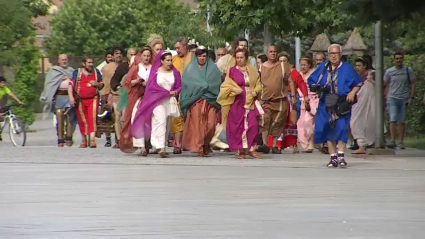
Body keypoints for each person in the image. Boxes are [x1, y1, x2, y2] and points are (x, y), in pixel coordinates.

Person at [308, 44, 362, 168]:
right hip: (325, 103)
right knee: (327, 128)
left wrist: (352, 92)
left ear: (340, 54)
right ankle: (333, 157)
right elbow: (311, 81)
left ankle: (341, 156)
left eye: (336, 53)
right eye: (331, 53)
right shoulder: (323, 68)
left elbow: (358, 82)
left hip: (342, 103)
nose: (333, 56)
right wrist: (316, 88)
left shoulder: (347, 68)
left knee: (342, 128)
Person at [131, 51, 182, 158]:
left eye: (170, 60)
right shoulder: (155, 73)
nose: (169, 63)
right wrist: (162, 93)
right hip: (155, 100)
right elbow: (151, 88)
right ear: (162, 61)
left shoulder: (175, 72)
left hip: (168, 100)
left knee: (161, 122)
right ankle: (161, 147)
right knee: (161, 118)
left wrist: (175, 92)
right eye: (167, 60)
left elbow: (179, 85)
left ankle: (156, 144)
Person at [217, 47, 262, 159]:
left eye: (241, 57)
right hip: (237, 101)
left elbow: (258, 83)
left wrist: (256, 90)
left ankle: (251, 148)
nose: (239, 60)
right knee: (238, 126)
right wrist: (234, 90)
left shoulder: (252, 70)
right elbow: (226, 85)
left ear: (246, 58)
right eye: (237, 58)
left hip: (250, 100)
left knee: (253, 125)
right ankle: (241, 150)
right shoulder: (232, 70)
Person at [180, 46, 221, 156]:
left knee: (211, 124)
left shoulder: (213, 68)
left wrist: (205, 87)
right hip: (196, 101)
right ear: (196, 57)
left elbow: (216, 83)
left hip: (210, 101)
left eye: (204, 56)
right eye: (199, 56)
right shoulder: (190, 69)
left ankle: (206, 142)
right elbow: (187, 83)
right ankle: (199, 147)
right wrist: (202, 87)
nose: (202, 58)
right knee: (198, 125)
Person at [257, 45, 296, 154]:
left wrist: (293, 97)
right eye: (271, 51)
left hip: (280, 100)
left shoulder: (283, 66)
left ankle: (274, 145)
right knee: (264, 120)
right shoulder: (260, 67)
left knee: (278, 122)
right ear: (267, 53)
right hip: (265, 101)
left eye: (275, 52)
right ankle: (265, 144)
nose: (273, 53)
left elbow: (291, 81)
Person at [120, 46, 152, 156]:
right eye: (144, 55)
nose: (146, 58)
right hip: (137, 97)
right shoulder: (136, 68)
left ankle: (148, 143)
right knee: (137, 119)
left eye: (148, 56)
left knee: (149, 122)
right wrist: (137, 81)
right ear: (141, 56)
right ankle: (141, 146)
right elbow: (127, 82)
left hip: (150, 97)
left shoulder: (154, 68)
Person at [39, 54, 77, 147]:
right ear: (59, 61)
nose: (64, 61)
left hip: (69, 97)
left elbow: (76, 82)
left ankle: (69, 137)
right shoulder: (54, 71)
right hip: (59, 97)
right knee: (60, 117)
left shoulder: (72, 71)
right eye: (62, 60)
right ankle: (60, 139)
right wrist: (61, 79)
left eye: (65, 59)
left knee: (70, 118)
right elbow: (49, 84)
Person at [71, 55, 104, 148]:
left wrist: (96, 83)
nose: (91, 64)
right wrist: (71, 98)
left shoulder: (96, 72)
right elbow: (71, 85)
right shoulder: (77, 72)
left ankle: (92, 140)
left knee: (92, 118)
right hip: (80, 100)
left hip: (93, 99)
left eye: (92, 62)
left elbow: (102, 85)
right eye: (89, 63)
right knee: (82, 120)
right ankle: (84, 140)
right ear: (84, 63)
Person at [384, 52, 415, 149]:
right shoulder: (389, 71)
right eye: (397, 58)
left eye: (400, 58)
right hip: (392, 97)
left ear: (403, 59)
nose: (399, 60)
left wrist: (411, 97)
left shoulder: (407, 70)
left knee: (401, 120)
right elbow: (384, 84)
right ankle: (393, 140)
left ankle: (401, 141)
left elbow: (413, 83)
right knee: (392, 119)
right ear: (394, 60)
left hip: (404, 98)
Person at [171, 36, 192, 154]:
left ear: (185, 46)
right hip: (177, 92)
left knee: (191, 117)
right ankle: (177, 144)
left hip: (192, 92)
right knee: (176, 117)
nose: (177, 50)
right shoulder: (173, 59)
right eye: (176, 48)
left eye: (179, 48)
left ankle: (190, 142)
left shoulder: (194, 58)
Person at [100, 46, 125, 148]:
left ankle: (125, 138)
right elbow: (106, 84)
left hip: (125, 96)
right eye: (116, 53)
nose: (118, 55)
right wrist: (104, 99)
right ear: (113, 56)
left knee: (125, 118)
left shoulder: (126, 66)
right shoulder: (107, 68)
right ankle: (119, 140)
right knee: (117, 117)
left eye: (120, 53)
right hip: (114, 95)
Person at [351, 58, 376, 154]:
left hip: (370, 104)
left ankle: (365, 145)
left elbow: (382, 86)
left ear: (364, 66)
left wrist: (371, 80)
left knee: (370, 123)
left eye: (359, 66)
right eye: (356, 66)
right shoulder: (355, 77)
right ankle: (361, 144)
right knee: (354, 122)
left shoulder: (371, 75)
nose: (357, 68)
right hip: (357, 105)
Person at [297, 56, 318, 153]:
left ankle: (311, 143)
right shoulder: (299, 74)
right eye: (301, 65)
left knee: (308, 122)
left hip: (312, 100)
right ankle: (306, 144)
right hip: (302, 100)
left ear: (309, 65)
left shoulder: (314, 73)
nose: (303, 67)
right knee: (300, 123)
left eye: (304, 65)